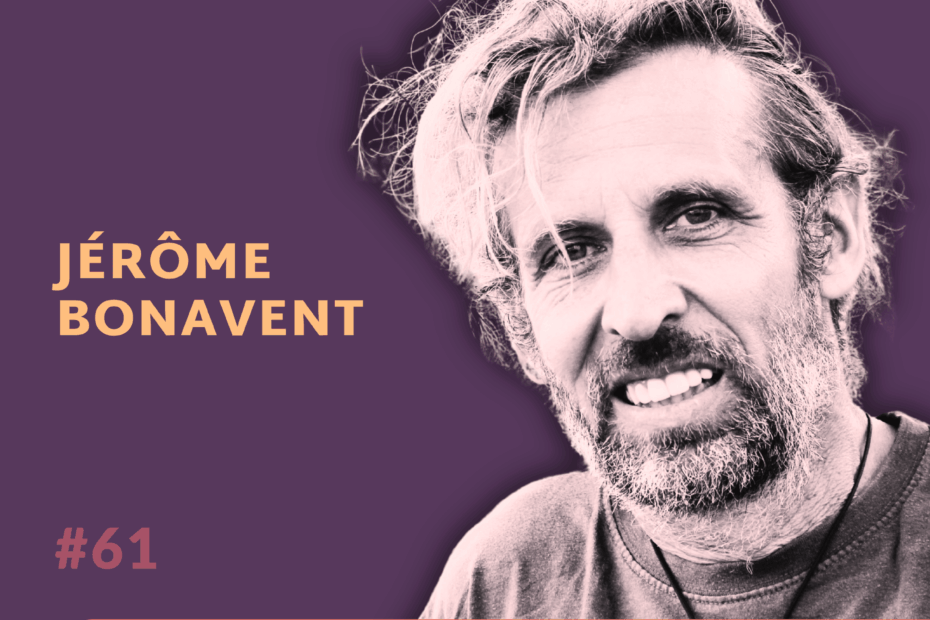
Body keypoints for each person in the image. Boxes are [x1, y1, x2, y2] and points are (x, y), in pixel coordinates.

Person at [358, 0, 928, 617]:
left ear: (832, 236)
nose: (637, 313)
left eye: (696, 216)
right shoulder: (506, 580)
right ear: (520, 328)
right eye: (571, 253)